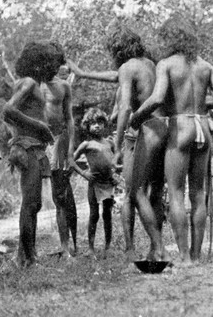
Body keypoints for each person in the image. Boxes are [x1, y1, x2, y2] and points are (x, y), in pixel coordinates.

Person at [130, 16, 213, 264]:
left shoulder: (166, 64)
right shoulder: (205, 66)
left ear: (170, 39)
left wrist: (136, 116)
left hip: (181, 126)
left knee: (176, 193)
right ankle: (196, 258)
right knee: (198, 194)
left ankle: (185, 258)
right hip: (202, 128)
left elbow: (156, 99)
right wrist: (203, 106)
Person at [70, 23, 167, 261]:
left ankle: (156, 247)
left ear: (117, 50)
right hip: (163, 128)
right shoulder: (149, 64)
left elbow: (123, 108)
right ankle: (155, 248)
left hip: (142, 131)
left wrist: (119, 146)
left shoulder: (126, 67)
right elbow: (116, 77)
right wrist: (84, 73)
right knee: (154, 191)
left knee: (134, 192)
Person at [3, 41, 57, 267]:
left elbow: (11, 117)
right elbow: (8, 110)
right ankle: (29, 258)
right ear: (38, 64)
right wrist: (39, 127)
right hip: (28, 147)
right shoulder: (28, 82)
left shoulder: (29, 83)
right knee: (30, 203)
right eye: (50, 63)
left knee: (32, 204)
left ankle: (23, 256)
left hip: (31, 146)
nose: (53, 68)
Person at [42, 42, 84, 258]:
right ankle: (60, 245)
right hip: (41, 142)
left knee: (62, 195)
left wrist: (70, 151)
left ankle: (70, 245)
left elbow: (69, 119)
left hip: (59, 140)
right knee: (40, 197)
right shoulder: (34, 85)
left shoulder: (63, 86)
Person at [73, 108, 117, 257]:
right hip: (94, 183)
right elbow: (71, 160)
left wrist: (116, 174)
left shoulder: (110, 142)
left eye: (99, 122)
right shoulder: (86, 144)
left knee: (107, 214)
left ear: (104, 124)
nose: (97, 126)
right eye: (93, 123)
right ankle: (91, 248)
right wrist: (84, 173)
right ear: (87, 126)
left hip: (108, 182)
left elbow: (116, 161)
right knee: (94, 215)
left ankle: (108, 246)